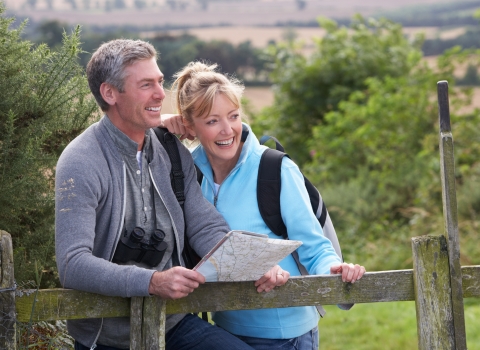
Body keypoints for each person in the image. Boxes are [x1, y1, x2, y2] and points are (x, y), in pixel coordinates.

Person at [55, 39, 287, 350]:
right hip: (107, 334)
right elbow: (73, 264)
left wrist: (252, 263)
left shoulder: (170, 149)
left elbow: (205, 226)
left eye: (160, 81)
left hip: (174, 321)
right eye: (146, 84)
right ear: (110, 93)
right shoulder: (81, 160)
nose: (161, 94)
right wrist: (152, 282)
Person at [161, 61, 366, 350]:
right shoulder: (188, 173)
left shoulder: (275, 169)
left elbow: (313, 246)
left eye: (233, 116)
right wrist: (160, 124)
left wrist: (334, 267)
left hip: (285, 334)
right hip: (224, 331)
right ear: (189, 125)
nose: (226, 130)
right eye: (211, 121)